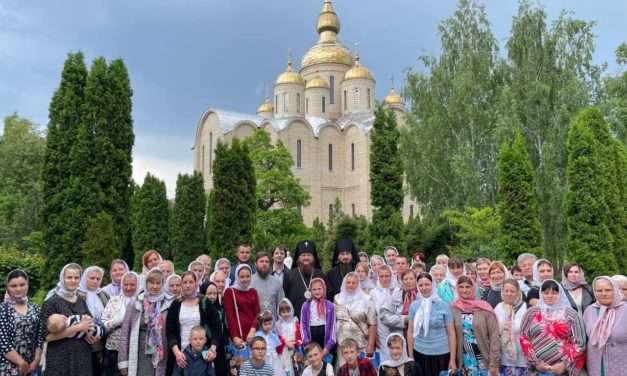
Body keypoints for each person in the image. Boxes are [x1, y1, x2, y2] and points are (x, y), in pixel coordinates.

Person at [519, 279, 586, 376]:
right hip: (537, 370)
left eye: (554, 293)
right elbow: (523, 336)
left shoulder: (571, 315)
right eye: (546, 293)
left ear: (560, 294)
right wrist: (536, 363)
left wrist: (564, 364)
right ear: (541, 294)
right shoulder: (532, 312)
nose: (550, 296)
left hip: (564, 372)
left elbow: (580, 344)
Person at [41, 263, 96, 376]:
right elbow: (47, 337)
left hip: (82, 357)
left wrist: (93, 336)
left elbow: (90, 323)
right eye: (69, 277)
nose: (73, 280)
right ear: (62, 278)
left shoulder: (81, 300)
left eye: (76, 277)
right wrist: (77, 328)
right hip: (59, 358)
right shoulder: (51, 302)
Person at [166, 271, 222, 376]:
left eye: (191, 282)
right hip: (181, 355)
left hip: (202, 355)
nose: (187, 285)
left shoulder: (205, 302)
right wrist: (177, 353)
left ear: (196, 284)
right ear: (181, 284)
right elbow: (170, 331)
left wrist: (213, 349)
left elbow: (216, 327)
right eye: (185, 282)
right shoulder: (176, 304)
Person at [118, 268, 171, 376]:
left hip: (161, 354)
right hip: (139, 353)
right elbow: (125, 334)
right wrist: (123, 362)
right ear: (145, 283)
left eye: (158, 283)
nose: (155, 286)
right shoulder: (136, 303)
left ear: (163, 284)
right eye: (151, 282)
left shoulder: (168, 303)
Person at [407, 272, 456, 375]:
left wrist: (452, 359)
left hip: (442, 354)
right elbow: (410, 332)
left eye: (427, 284)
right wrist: (410, 356)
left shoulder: (444, 306)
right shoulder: (414, 306)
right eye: (421, 285)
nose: (424, 288)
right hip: (419, 353)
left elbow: (451, 334)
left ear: (433, 285)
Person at [451, 275, 500, 376]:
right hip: (465, 360)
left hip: (484, 359)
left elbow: (494, 336)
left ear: (473, 288)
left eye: (468, 287)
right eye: (461, 287)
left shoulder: (484, 307)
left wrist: (494, 363)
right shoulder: (453, 308)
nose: (464, 290)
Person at [0, 270, 43, 376]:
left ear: (27, 285)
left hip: (32, 367)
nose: (18, 289)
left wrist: (37, 360)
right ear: (7, 288)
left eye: (22, 284)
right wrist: (21, 362)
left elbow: (40, 336)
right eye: (13, 286)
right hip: (8, 367)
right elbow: (3, 342)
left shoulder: (35, 308)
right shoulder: (3, 309)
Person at [583, 276, 626, 376]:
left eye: (608, 290)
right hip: (595, 367)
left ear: (615, 290)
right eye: (599, 290)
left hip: (622, 367)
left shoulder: (625, 309)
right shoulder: (589, 311)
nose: (603, 293)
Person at [334, 272, 376, 367]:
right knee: (344, 369)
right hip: (342, 343)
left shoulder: (367, 299)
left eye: (354, 283)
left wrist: (371, 345)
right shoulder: (337, 298)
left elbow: (372, 324)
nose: (351, 285)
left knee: (361, 370)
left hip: (360, 343)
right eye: (348, 282)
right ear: (344, 283)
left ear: (358, 284)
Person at [101, 271, 138, 376]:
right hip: (113, 350)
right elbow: (103, 326)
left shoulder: (141, 302)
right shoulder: (114, 301)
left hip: (133, 352)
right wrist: (117, 321)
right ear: (121, 285)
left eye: (132, 284)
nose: (129, 288)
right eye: (126, 284)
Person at [283, 240, 330, 319]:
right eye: (303, 255)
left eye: (309, 255)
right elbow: (285, 295)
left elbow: (328, 294)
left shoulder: (320, 274)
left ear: (313, 257)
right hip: (296, 318)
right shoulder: (290, 275)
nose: (306, 257)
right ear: (298, 257)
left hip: (317, 319)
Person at [379, 270, 416, 359]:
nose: (408, 281)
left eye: (411, 278)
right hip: (399, 338)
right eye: (405, 279)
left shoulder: (421, 295)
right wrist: (404, 319)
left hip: (419, 340)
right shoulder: (395, 295)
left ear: (416, 280)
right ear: (401, 281)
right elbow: (383, 316)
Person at [493, 279, 527, 376]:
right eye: (506, 291)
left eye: (512, 291)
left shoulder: (525, 308)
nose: (509, 294)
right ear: (502, 292)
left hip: (523, 360)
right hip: (504, 359)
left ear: (518, 293)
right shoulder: (498, 308)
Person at [223, 265, 260, 349]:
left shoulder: (253, 291)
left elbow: (257, 312)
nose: (245, 279)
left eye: (248, 276)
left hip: (253, 333)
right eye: (242, 277)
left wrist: (253, 330)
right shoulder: (230, 291)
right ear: (237, 277)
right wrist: (234, 336)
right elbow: (229, 315)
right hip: (238, 336)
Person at [300, 278, 335, 361]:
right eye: (314, 289)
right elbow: (303, 326)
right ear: (310, 291)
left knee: (325, 367)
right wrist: (307, 344)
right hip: (311, 341)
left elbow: (333, 327)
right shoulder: (306, 305)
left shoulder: (330, 306)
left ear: (324, 288)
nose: (317, 292)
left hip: (325, 343)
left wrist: (328, 347)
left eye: (319, 289)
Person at [369, 265, 397, 360]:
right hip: (380, 332)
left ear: (391, 276)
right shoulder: (373, 293)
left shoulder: (398, 291)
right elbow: (372, 315)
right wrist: (374, 334)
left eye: (387, 276)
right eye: (381, 276)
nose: (384, 279)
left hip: (396, 330)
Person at [202, 281, 228, 376]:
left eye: (215, 293)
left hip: (218, 346)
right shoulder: (200, 310)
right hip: (204, 345)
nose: (212, 296)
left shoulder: (219, 309)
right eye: (209, 293)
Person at [251, 251, 285, 319]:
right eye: (261, 261)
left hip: (273, 325)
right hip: (255, 325)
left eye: (267, 262)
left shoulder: (276, 282)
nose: (264, 264)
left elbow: (282, 305)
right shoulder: (249, 282)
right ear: (255, 263)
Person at [275, 299, 301, 375]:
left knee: (297, 367)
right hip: (284, 351)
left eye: (288, 311)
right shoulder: (278, 325)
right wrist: (284, 341)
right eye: (283, 312)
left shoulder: (295, 322)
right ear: (279, 313)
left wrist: (296, 343)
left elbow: (300, 338)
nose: (286, 314)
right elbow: (277, 338)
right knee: (286, 367)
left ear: (291, 310)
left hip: (294, 349)